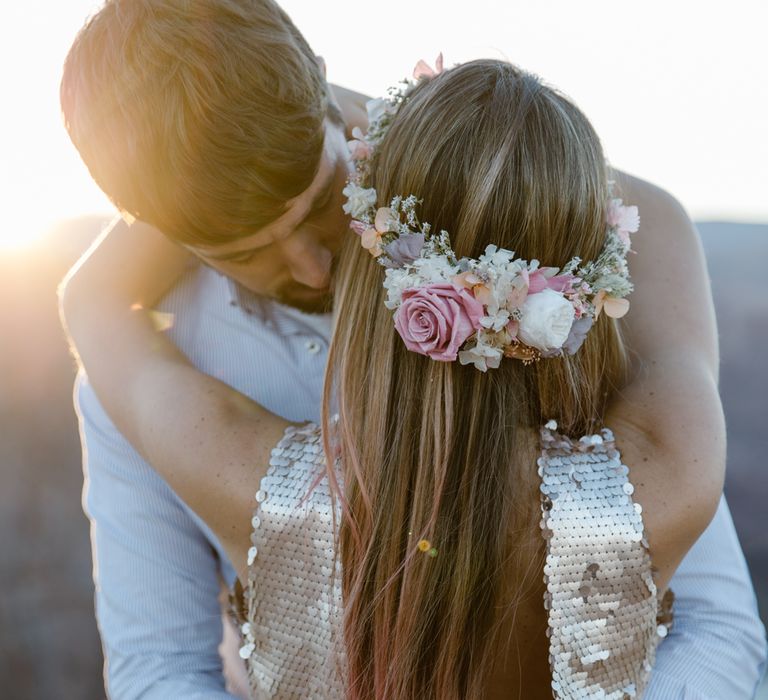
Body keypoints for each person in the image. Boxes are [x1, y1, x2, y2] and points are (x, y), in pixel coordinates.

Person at [59, 2, 767, 698]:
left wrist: (87, 300)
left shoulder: (518, 285)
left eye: (316, 203)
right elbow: (160, 669)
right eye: (243, 253)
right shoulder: (136, 372)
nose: (310, 268)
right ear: (145, 225)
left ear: (330, 100)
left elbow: (715, 626)